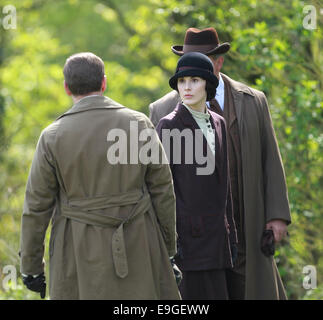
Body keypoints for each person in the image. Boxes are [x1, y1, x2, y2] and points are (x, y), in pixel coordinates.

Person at [19, 52, 181, 300]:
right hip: (139, 244)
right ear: (104, 82)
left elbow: (36, 207)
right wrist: (168, 250)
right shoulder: (139, 124)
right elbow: (163, 191)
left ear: (66, 87)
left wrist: (31, 268)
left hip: (77, 251)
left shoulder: (52, 137)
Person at [150, 28, 291, 300]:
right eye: (187, 62)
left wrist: (276, 214)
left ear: (218, 62)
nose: (191, 76)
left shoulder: (253, 100)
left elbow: (270, 158)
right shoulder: (162, 111)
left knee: (252, 289)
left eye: (202, 60)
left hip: (245, 221)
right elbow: (160, 182)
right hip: (193, 239)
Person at [156, 52, 238, 300]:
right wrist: (170, 242)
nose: (187, 87)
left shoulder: (220, 123)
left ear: (208, 83)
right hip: (187, 242)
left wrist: (231, 234)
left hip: (217, 239)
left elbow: (225, 186)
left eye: (194, 80)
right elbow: (161, 187)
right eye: (182, 81)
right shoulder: (169, 125)